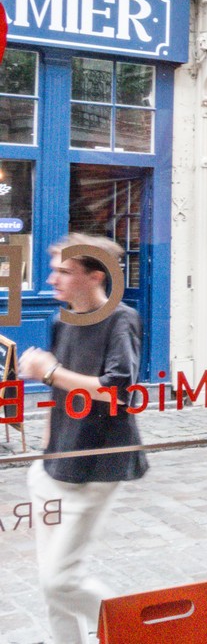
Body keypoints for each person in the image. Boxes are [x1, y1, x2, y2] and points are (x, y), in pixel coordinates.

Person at [18, 234, 147, 644]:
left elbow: (118, 391)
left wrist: (49, 371)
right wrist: (45, 451)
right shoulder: (62, 320)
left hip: (97, 466)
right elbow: (60, 394)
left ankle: (140, 633)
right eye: (54, 269)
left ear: (95, 276)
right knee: (51, 587)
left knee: (61, 580)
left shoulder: (121, 319)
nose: (52, 279)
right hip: (54, 465)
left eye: (64, 271)